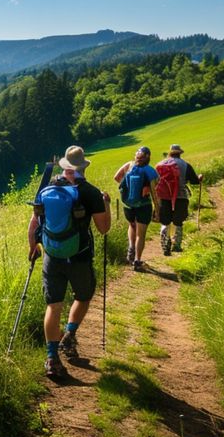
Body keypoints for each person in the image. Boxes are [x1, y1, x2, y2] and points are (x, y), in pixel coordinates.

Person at [27, 145, 110, 380]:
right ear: (83, 167)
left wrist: (33, 248)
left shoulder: (49, 188)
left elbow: (35, 223)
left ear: (64, 166)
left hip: (51, 257)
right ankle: (69, 335)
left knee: (53, 305)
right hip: (80, 257)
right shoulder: (91, 192)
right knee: (82, 297)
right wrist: (106, 205)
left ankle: (52, 358)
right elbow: (104, 229)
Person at [113, 146, 159, 270]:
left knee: (132, 225)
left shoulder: (129, 165)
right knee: (141, 234)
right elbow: (155, 192)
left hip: (128, 205)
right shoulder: (150, 170)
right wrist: (157, 209)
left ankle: (131, 248)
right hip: (143, 205)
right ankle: (138, 262)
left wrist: (128, 188)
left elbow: (116, 178)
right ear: (148, 157)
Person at [156, 144, 202, 256]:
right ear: (180, 153)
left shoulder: (160, 164)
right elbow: (195, 181)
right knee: (178, 221)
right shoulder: (185, 165)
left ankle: (165, 245)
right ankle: (176, 245)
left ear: (170, 153)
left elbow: (155, 180)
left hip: (164, 197)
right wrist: (200, 178)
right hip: (181, 196)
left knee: (165, 221)